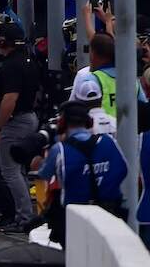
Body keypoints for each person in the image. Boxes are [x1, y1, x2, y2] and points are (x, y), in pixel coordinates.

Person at [38, 100, 129, 244]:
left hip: (73, 218)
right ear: (89, 121)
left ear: (62, 124)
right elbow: (124, 169)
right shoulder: (108, 141)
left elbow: (43, 175)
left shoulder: (59, 149)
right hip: (109, 215)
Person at [0, 22, 43, 232]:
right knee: (18, 169)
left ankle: (24, 218)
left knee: (10, 171)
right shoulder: (29, 59)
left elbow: (9, 99)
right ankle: (25, 215)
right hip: (30, 117)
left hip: (16, 121)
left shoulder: (11, 65)